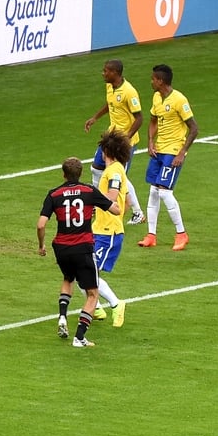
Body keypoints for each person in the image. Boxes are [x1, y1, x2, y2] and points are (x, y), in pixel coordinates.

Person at [37, 156, 121, 348]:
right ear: (80, 173)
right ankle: (80, 337)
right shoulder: (89, 191)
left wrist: (41, 246)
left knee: (68, 278)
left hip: (61, 248)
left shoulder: (54, 194)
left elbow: (41, 224)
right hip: (83, 247)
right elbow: (115, 210)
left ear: (64, 174)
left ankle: (62, 317)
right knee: (92, 294)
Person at [137, 64, 199, 250]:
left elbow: (194, 128)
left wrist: (182, 152)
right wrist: (150, 141)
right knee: (153, 191)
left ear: (160, 81)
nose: (151, 82)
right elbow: (153, 120)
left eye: (153, 79)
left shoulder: (179, 100)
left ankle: (181, 234)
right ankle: (151, 235)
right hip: (159, 150)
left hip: (173, 151)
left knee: (164, 192)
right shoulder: (157, 97)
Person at [84, 59, 146, 225]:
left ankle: (138, 213)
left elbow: (139, 118)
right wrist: (95, 117)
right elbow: (110, 103)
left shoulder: (129, 92)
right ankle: (98, 204)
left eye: (106, 71)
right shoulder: (110, 86)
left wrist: (126, 138)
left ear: (115, 73)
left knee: (120, 177)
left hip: (125, 142)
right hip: (111, 137)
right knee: (96, 168)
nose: (103, 73)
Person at [88, 130, 132, 327]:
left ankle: (116, 304)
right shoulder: (118, 170)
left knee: (88, 272)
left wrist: (91, 198)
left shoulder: (114, 171)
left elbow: (113, 195)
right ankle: (96, 307)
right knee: (82, 270)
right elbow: (127, 201)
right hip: (100, 229)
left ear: (106, 151)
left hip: (108, 233)